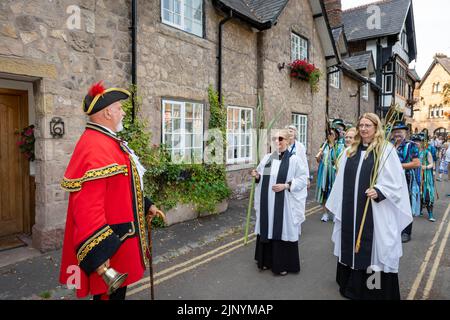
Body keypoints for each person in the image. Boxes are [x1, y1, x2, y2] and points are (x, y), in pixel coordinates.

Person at [59, 81, 159, 300]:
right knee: (108, 297)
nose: (123, 112)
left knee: (116, 296)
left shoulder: (107, 141)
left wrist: (146, 203)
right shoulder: (96, 146)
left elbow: (123, 188)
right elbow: (87, 207)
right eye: (119, 108)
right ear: (106, 113)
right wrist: (100, 254)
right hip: (111, 247)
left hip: (119, 240)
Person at [326, 113, 413, 300]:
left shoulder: (385, 150)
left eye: (368, 125)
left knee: (374, 251)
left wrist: (380, 191)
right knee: (350, 247)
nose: (364, 129)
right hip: (351, 210)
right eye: (361, 125)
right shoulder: (351, 151)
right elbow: (341, 180)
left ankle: (373, 289)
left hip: (375, 212)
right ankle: (352, 288)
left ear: (376, 128)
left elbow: (396, 182)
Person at [251, 129, 308, 276]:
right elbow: (262, 177)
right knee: (267, 228)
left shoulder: (294, 160)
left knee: (281, 230)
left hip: (283, 205)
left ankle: (282, 264)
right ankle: (266, 262)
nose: (277, 142)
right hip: (268, 204)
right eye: (275, 139)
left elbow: (302, 180)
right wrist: (257, 176)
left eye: (280, 138)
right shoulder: (269, 158)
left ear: (288, 141)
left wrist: (287, 185)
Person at [391, 121, 421, 243]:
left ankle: (406, 232)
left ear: (406, 132)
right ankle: (395, 229)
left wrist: (398, 166)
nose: (397, 134)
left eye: (400, 131)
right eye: (395, 131)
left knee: (405, 205)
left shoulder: (411, 145)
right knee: (393, 204)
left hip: (407, 179)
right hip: (392, 179)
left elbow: (417, 163)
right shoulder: (390, 145)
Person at [315, 127, 343, 222]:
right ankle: (325, 213)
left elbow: (337, 161)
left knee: (334, 193)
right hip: (324, 172)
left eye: (332, 134)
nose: (330, 135)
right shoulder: (324, 145)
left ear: (336, 136)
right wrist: (320, 154)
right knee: (324, 192)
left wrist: (333, 149)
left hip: (334, 173)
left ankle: (335, 214)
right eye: (328, 134)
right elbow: (318, 160)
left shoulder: (339, 146)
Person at [412, 134, 436, 222]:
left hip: (425, 176)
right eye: (415, 142)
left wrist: (425, 167)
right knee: (418, 193)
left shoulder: (427, 152)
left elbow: (431, 164)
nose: (416, 143)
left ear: (422, 143)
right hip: (415, 175)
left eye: (418, 141)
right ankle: (419, 210)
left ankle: (430, 214)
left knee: (427, 194)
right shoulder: (412, 152)